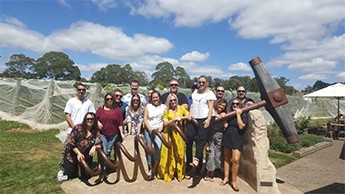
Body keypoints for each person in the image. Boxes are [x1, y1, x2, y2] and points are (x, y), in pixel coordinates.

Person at [58, 83, 96, 181]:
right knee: (68, 150)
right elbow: (67, 116)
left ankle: (82, 169)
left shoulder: (89, 102)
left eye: (83, 89)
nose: (81, 91)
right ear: (76, 90)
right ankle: (62, 170)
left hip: (86, 132)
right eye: (79, 89)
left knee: (84, 151)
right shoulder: (71, 101)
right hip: (73, 131)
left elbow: (92, 115)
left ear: (85, 91)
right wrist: (75, 128)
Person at [187, 75, 216, 177]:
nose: (201, 84)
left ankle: (197, 159)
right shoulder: (195, 92)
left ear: (207, 83)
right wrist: (190, 115)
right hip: (195, 118)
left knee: (200, 141)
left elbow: (211, 107)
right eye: (200, 82)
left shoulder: (210, 94)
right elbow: (192, 105)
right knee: (189, 135)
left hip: (204, 118)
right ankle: (191, 164)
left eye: (203, 82)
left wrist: (208, 119)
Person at [157, 93, 190, 182]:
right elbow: (164, 123)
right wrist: (173, 120)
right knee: (168, 154)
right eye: (171, 100)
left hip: (179, 135)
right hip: (168, 134)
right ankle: (168, 173)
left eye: (174, 100)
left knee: (179, 154)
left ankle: (180, 173)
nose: (173, 102)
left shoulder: (181, 108)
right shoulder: (166, 110)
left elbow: (189, 116)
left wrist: (181, 118)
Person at [62, 112, 102, 181]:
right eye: (88, 119)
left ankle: (82, 170)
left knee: (86, 176)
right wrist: (78, 153)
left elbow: (100, 142)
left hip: (85, 157)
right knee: (71, 175)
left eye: (92, 119)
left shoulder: (95, 131)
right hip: (72, 155)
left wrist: (95, 147)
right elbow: (71, 142)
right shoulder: (78, 128)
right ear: (85, 120)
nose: (90, 121)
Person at [220, 98, 248, 192]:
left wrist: (238, 115)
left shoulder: (244, 114)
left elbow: (241, 126)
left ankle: (234, 181)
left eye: (237, 104)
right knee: (227, 158)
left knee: (236, 160)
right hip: (228, 136)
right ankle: (226, 177)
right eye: (233, 104)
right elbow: (225, 126)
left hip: (238, 137)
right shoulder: (229, 114)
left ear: (240, 105)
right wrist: (224, 117)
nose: (235, 105)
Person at [96, 93, 125, 181]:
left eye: (111, 99)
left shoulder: (117, 110)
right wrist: (98, 122)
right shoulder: (100, 109)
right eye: (107, 99)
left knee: (108, 151)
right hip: (103, 134)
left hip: (114, 134)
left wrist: (122, 133)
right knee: (105, 151)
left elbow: (120, 123)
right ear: (105, 99)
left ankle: (106, 168)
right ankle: (104, 171)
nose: (109, 101)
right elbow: (95, 118)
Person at [143, 90, 166, 178]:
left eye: (156, 97)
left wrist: (159, 130)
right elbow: (145, 118)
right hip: (149, 130)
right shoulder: (148, 106)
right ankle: (149, 166)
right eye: (153, 97)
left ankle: (154, 168)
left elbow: (164, 120)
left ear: (159, 98)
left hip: (159, 130)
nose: (155, 99)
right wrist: (149, 129)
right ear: (151, 98)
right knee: (149, 148)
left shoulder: (164, 107)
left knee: (157, 148)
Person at [204, 98, 228, 182]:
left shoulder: (224, 114)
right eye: (220, 104)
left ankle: (212, 174)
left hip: (219, 136)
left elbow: (225, 126)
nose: (221, 107)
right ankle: (207, 173)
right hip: (210, 135)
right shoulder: (211, 111)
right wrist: (217, 116)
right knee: (210, 155)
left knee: (217, 155)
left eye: (223, 106)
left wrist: (224, 118)